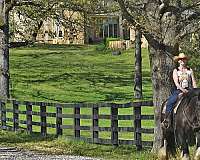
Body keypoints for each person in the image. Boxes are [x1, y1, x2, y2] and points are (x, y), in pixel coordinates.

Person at [162, 52, 197, 129]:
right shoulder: (176, 71)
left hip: (190, 90)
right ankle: (167, 119)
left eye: (184, 59)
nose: (182, 61)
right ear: (178, 61)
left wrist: (195, 90)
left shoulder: (190, 70)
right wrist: (183, 90)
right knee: (171, 101)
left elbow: (193, 81)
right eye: (181, 59)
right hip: (179, 90)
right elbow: (176, 83)